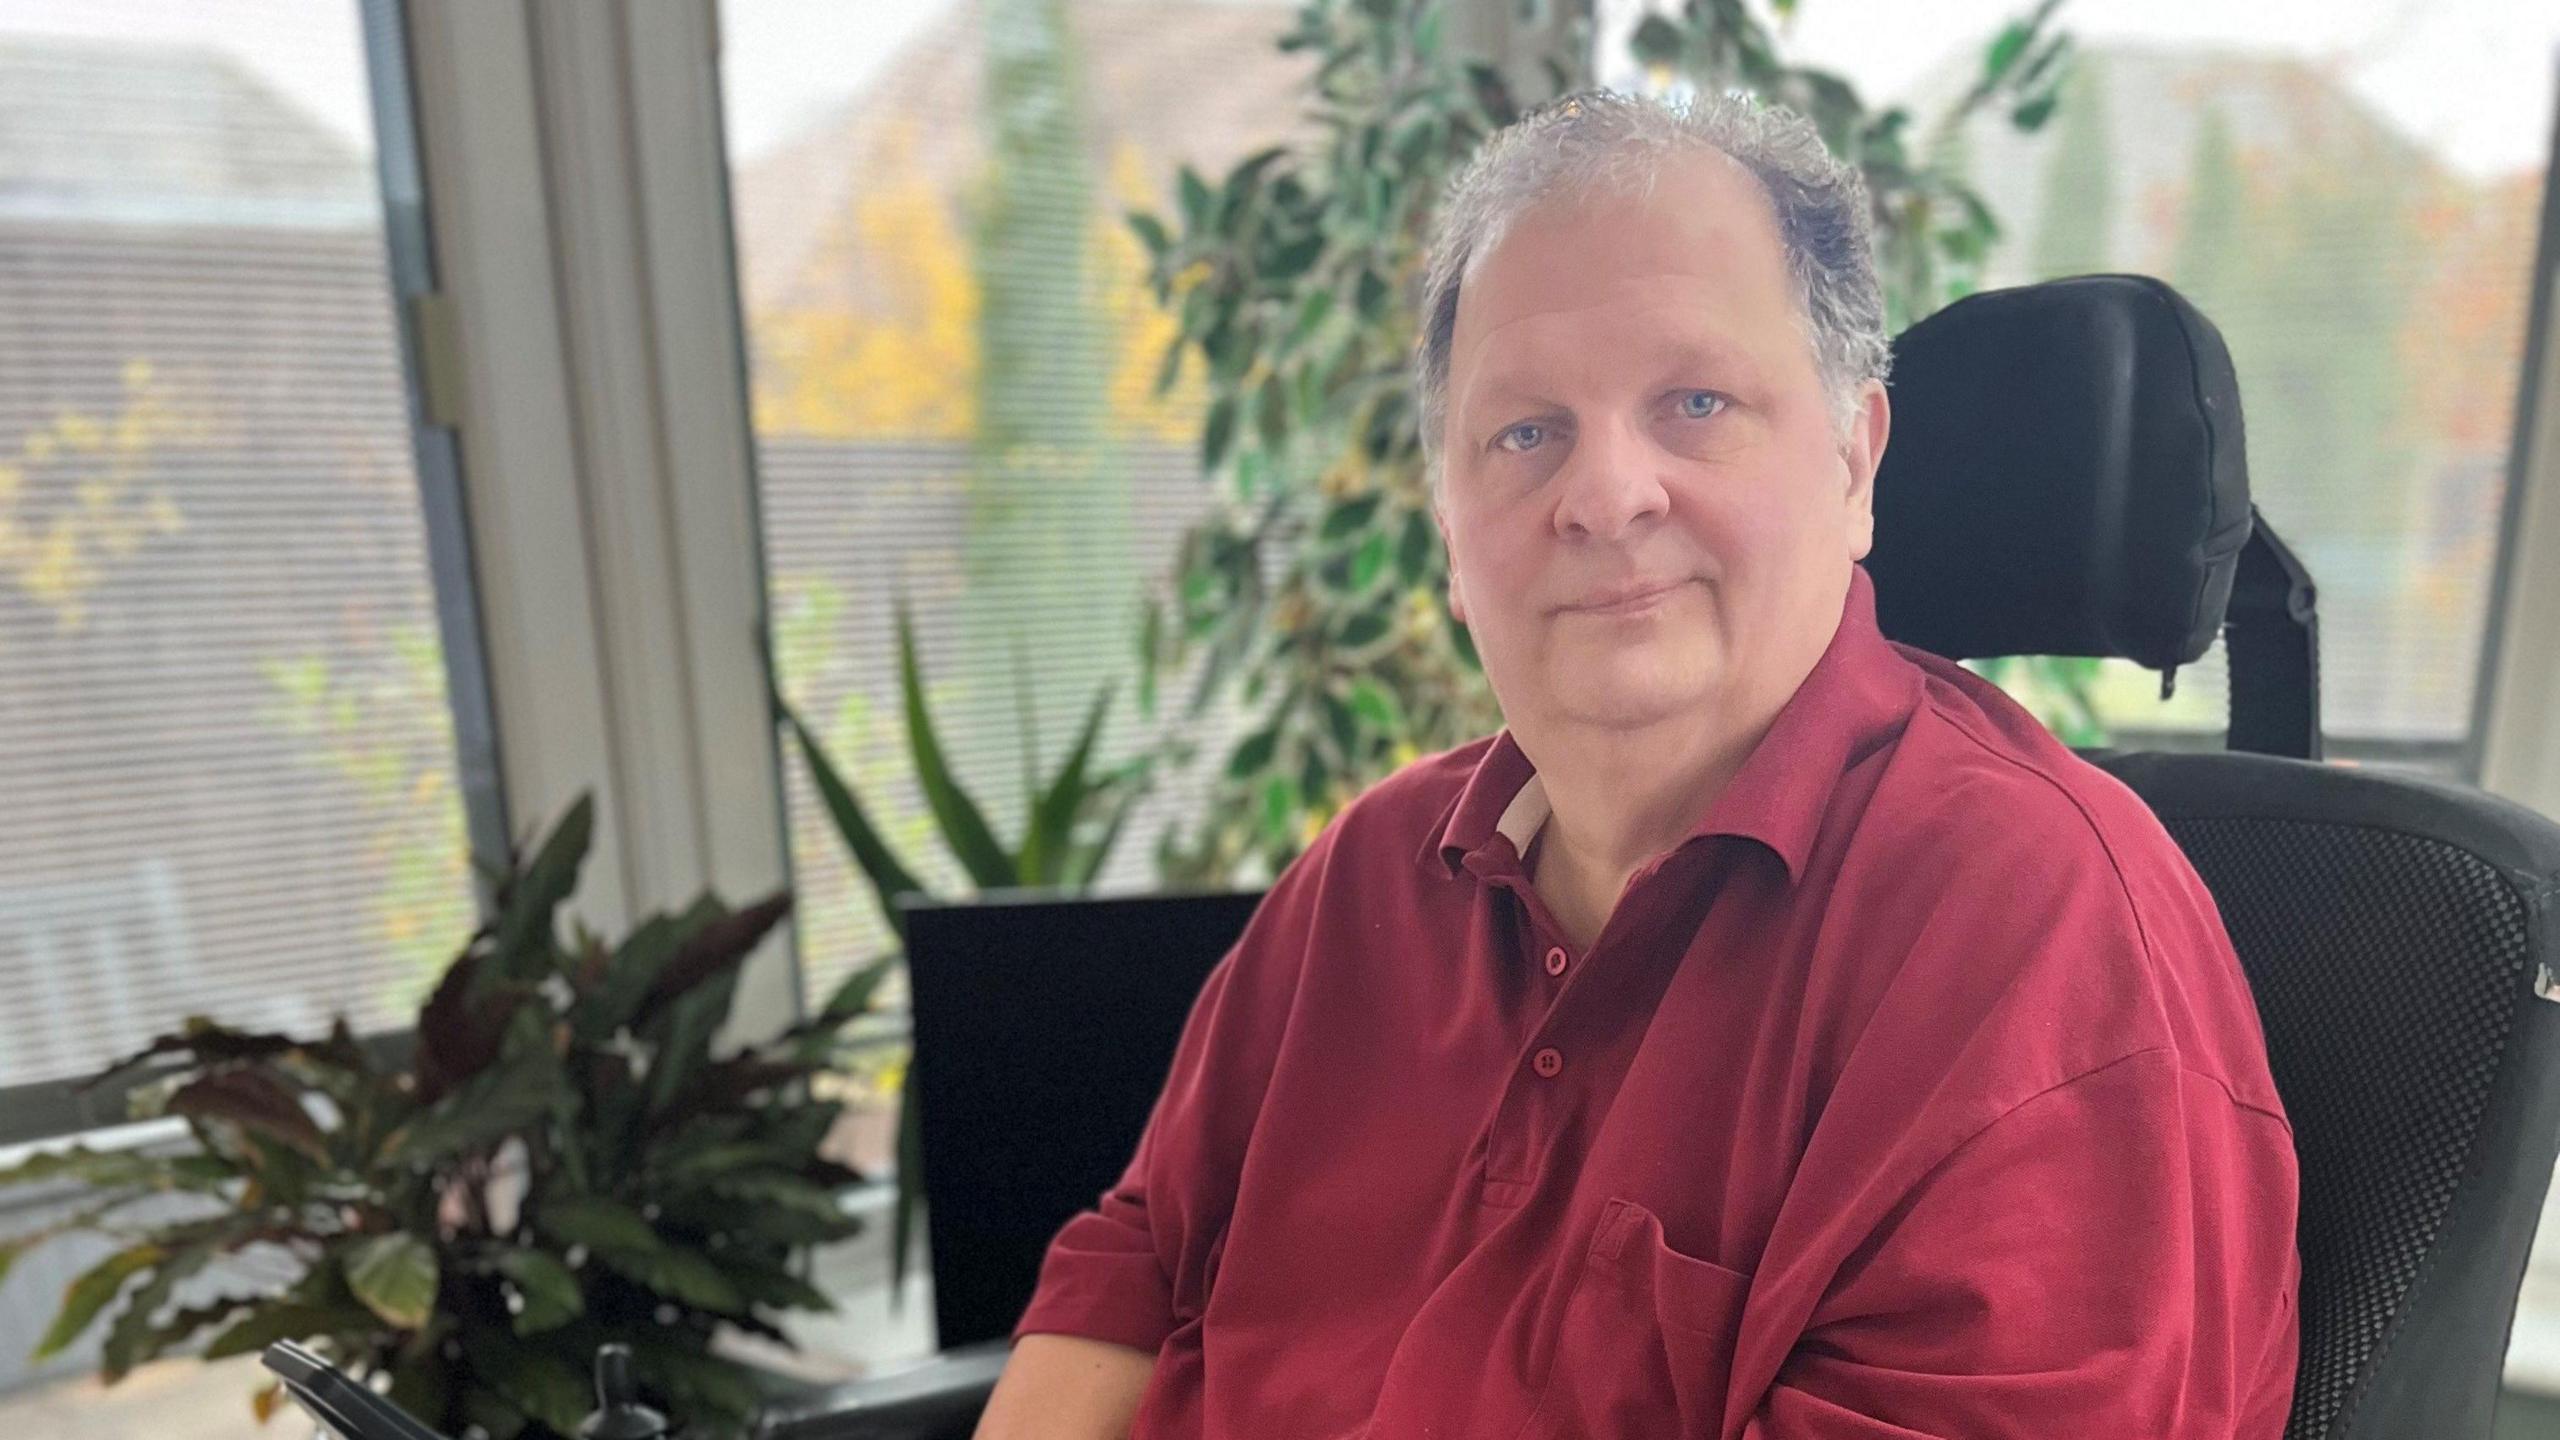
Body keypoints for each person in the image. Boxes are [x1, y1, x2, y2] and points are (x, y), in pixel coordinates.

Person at [974, 90, 2300, 1439]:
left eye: (1696, 401)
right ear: (1450, 524)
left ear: (1854, 460)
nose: (1605, 496)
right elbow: (1134, 1271)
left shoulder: (2036, 944)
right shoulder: (1369, 875)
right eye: (1525, 432)